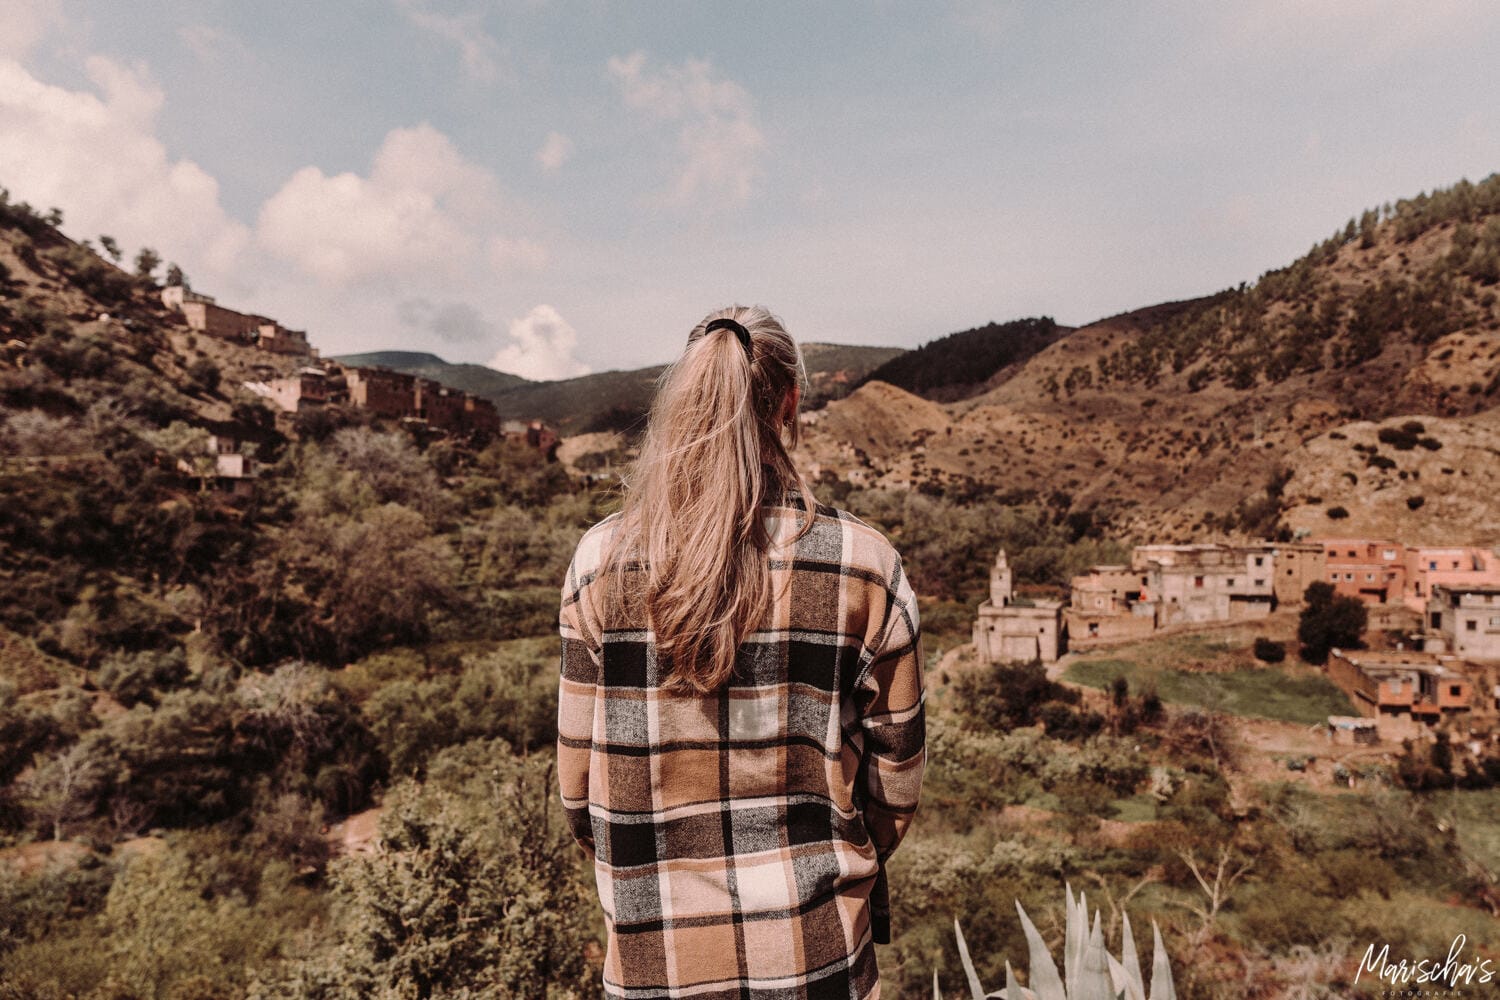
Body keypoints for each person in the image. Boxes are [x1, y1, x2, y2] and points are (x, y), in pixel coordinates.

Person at [557, 305, 925, 1000]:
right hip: (818, 960)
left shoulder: (601, 562)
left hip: (657, 963)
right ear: (789, 404)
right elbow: (894, 790)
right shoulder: (864, 565)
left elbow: (579, 792)